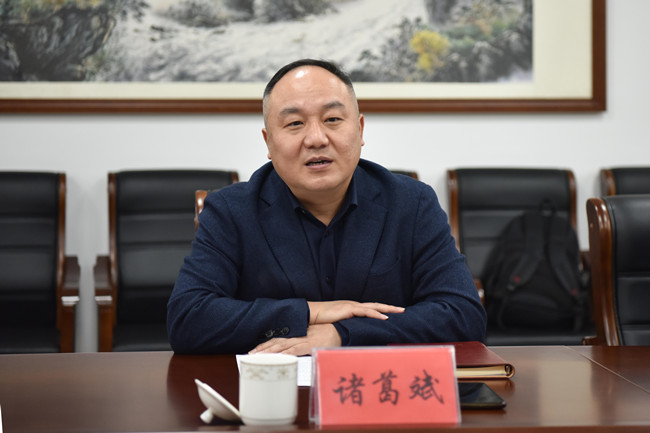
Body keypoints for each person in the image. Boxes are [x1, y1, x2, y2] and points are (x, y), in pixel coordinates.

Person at [167, 59, 486, 355]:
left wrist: (342, 333)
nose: (316, 138)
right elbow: (188, 318)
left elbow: (463, 314)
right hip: (274, 389)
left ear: (360, 129)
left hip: (379, 388)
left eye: (332, 119)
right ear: (268, 142)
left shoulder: (411, 203)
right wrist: (312, 312)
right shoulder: (230, 211)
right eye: (295, 123)